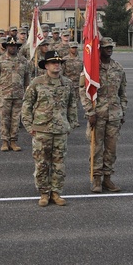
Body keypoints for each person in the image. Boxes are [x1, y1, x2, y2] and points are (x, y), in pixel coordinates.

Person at [22, 50, 79, 206]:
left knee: (59, 163)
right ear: (46, 65)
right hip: (41, 129)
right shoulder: (37, 83)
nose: (57, 65)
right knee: (42, 163)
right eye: (53, 62)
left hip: (60, 130)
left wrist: (71, 124)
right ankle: (44, 193)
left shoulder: (67, 83)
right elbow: (27, 105)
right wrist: (28, 125)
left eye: (59, 62)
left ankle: (56, 192)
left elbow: (72, 105)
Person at [82, 37, 127, 193]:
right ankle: (96, 179)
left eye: (111, 47)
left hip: (114, 115)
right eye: (106, 47)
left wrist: (123, 111)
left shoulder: (118, 68)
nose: (109, 49)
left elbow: (123, 93)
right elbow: (84, 92)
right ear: (99, 49)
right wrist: (90, 112)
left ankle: (107, 178)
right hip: (98, 115)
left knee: (111, 149)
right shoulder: (92, 70)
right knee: (96, 148)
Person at [0, 37, 31, 151]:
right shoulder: (0, 60)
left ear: (18, 47)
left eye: (15, 46)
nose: (12, 48)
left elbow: (27, 78)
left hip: (18, 95)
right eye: (10, 46)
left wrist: (27, 92)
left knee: (16, 119)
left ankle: (13, 141)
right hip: (4, 94)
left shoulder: (23, 61)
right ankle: (4, 141)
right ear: (6, 47)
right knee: (4, 119)